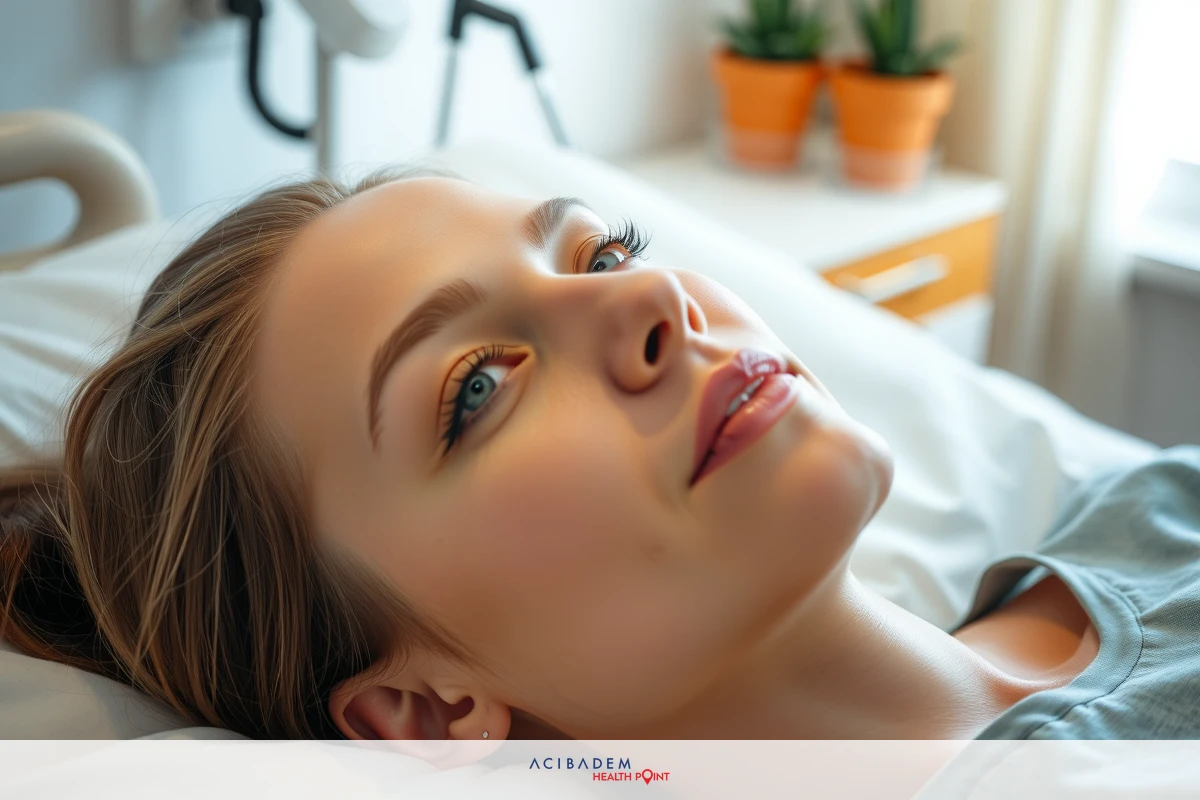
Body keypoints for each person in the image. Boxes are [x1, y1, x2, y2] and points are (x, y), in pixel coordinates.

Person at [2, 170, 1198, 741]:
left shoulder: (1155, 514)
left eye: (599, 254)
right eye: (476, 387)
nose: (650, 303)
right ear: (423, 708)